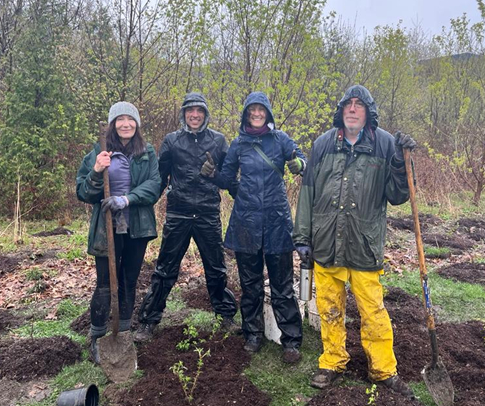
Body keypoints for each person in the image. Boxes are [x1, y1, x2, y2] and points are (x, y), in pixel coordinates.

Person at [293, 85, 416, 396]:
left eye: (359, 105)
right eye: (348, 104)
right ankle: (332, 361)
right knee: (329, 307)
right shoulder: (323, 144)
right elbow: (307, 193)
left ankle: (383, 369)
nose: (352, 109)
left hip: (363, 243)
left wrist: (402, 163)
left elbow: (398, 195)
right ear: (341, 109)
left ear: (368, 112)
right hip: (325, 242)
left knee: (373, 310)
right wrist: (302, 237)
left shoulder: (385, 144)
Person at [201, 91, 305, 364]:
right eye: (252, 111)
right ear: (246, 114)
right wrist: (212, 175)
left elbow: (302, 159)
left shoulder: (280, 139)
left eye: (261, 110)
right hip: (246, 221)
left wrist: (299, 163)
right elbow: (226, 179)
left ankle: (291, 340)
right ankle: (252, 334)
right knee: (250, 284)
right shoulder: (238, 144)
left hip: (276, 221)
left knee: (282, 286)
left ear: (268, 114)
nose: (256, 114)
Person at [135, 92, 239, 342]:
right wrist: (147, 201)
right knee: (165, 269)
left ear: (205, 114)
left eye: (199, 111)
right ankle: (149, 321)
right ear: (184, 114)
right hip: (178, 212)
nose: (195, 115)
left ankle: (225, 316)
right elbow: (160, 177)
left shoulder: (218, 141)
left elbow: (227, 178)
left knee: (215, 268)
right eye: (190, 111)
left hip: (207, 212)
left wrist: (243, 198)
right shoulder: (172, 141)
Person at [76, 101, 162, 363]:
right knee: (104, 284)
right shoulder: (98, 152)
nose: (126, 124)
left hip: (137, 226)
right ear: (113, 124)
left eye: (131, 119)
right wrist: (96, 171)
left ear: (137, 124)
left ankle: (123, 331)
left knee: (129, 279)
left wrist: (127, 199)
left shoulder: (147, 152)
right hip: (107, 228)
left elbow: (155, 185)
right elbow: (83, 192)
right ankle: (98, 336)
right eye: (120, 120)